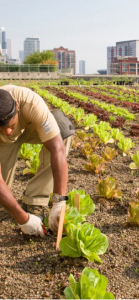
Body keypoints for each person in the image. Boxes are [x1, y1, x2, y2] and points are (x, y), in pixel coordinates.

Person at [0, 85, 75, 237]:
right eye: (1, 129)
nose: (8, 132)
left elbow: (57, 149)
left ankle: (35, 201)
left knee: (63, 131)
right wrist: (23, 219)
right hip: (2, 144)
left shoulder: (31, 103)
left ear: (17, 107)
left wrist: (59, 201)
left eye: (11, 126)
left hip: (28, 128)